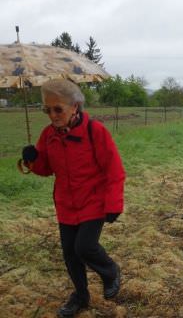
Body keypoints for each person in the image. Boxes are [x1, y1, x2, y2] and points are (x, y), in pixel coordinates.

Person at [21, 79, 125, 318]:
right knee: (69, 252)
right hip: (66, 203)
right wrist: (32, 159)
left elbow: (114, 170)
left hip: (93, 201)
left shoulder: (95, 131)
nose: (53, 115)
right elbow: (46, 168)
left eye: (58, 109)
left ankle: (110, 271)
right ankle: (81, 296)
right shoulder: (48, 135)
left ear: (75, 106)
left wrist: (114, 203)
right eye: (47, 110)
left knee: (85, 247)